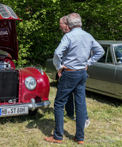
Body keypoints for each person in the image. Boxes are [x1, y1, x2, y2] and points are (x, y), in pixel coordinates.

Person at [44, 13, 104, 144]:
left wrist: (59, 66)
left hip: (70, 73)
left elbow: (57, 53)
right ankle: (80, 138)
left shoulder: (68, 36)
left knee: (59, 104)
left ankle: (58, 136)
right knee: (81, 105)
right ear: (80, 23)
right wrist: (89, 63)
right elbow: (100, 51)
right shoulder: (88, 36)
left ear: (69, 24)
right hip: (82, 73)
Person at [59, 16, 90, 127]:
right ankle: (70, 113)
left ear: (66, 24)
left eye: (61, 24)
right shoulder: (67, 36)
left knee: (79, 98)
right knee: (68, 94)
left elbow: (85, 51)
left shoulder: (77, 35)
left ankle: (84, 117)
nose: (60, 27)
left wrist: (87, 63)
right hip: (66, 69)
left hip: (74, 71)